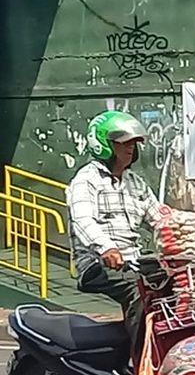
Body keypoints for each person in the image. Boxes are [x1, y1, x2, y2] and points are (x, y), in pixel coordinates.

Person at [66, 111, 166, 361]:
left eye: (133, 143)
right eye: (124, 143)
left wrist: (193, 230)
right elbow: (83, 219)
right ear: (104, 145)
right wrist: (106, 248)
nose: (131, 149)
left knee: (173, 286)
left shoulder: (136, 183)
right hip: (97, 263)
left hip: (134, 261)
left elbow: (160, 219)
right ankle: (142, 366)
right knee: (138, 289)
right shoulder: (86, 180)